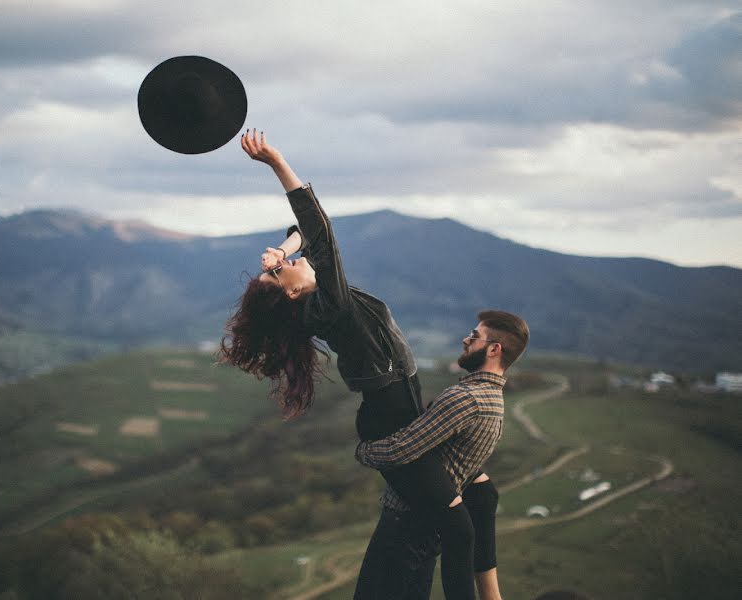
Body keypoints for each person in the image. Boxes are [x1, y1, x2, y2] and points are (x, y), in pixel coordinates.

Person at [219, 129, 514, 599]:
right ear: (293, 291)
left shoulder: (315, 298)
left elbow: (307, 242)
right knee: (456, 529)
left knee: (480, 495)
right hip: (389, 422)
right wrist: (277, 162)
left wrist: (284, 250)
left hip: (403, 409)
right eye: (280, 273)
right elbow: (321, 233)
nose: (288, 263)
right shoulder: (327, 304)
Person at [356, 311, 529, 600]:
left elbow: (402, 448)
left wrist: (364, 450)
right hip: (427, 530)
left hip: (404, 527)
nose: (465, 340)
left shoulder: (466, 399)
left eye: (474, 337)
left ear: (494, 349)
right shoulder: (493, 401)